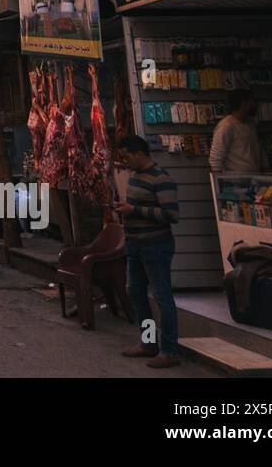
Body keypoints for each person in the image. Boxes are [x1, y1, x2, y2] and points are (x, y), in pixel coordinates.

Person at [115, 134, 182, 369]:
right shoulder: (134, 176)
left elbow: (171, 215)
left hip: (156, 245)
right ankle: (148, 343)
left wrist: (134, 210)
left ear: (140, 154)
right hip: (134, 244)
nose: (124, 162)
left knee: (162, 297)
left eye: (126, 157)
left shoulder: (161, 179)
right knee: (135, 292)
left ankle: (170, 350)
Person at [209, 89, 267, 173]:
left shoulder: (250, 125)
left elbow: (259, 150)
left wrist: (266, 168)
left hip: (253, 181)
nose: (254, 105)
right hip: (234, 184)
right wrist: (219, 183)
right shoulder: (226, 126)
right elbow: (215, 158)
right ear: (244, 104)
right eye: (251, 101)